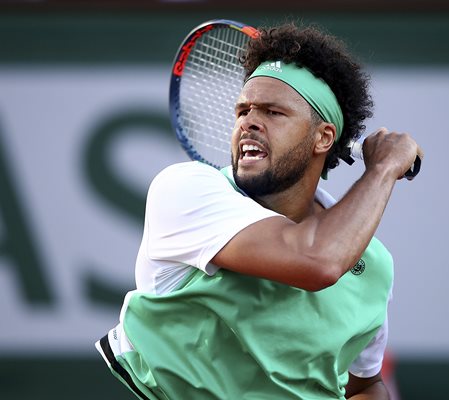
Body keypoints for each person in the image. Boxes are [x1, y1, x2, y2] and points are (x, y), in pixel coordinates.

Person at [96, 22, 423, 400]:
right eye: (243, 110)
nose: (248, 122)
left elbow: (363, 385)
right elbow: (317, 260)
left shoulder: (373, 266)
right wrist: (382, 169)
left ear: (324, 138)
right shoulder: (184, 191)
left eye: (272, 112)